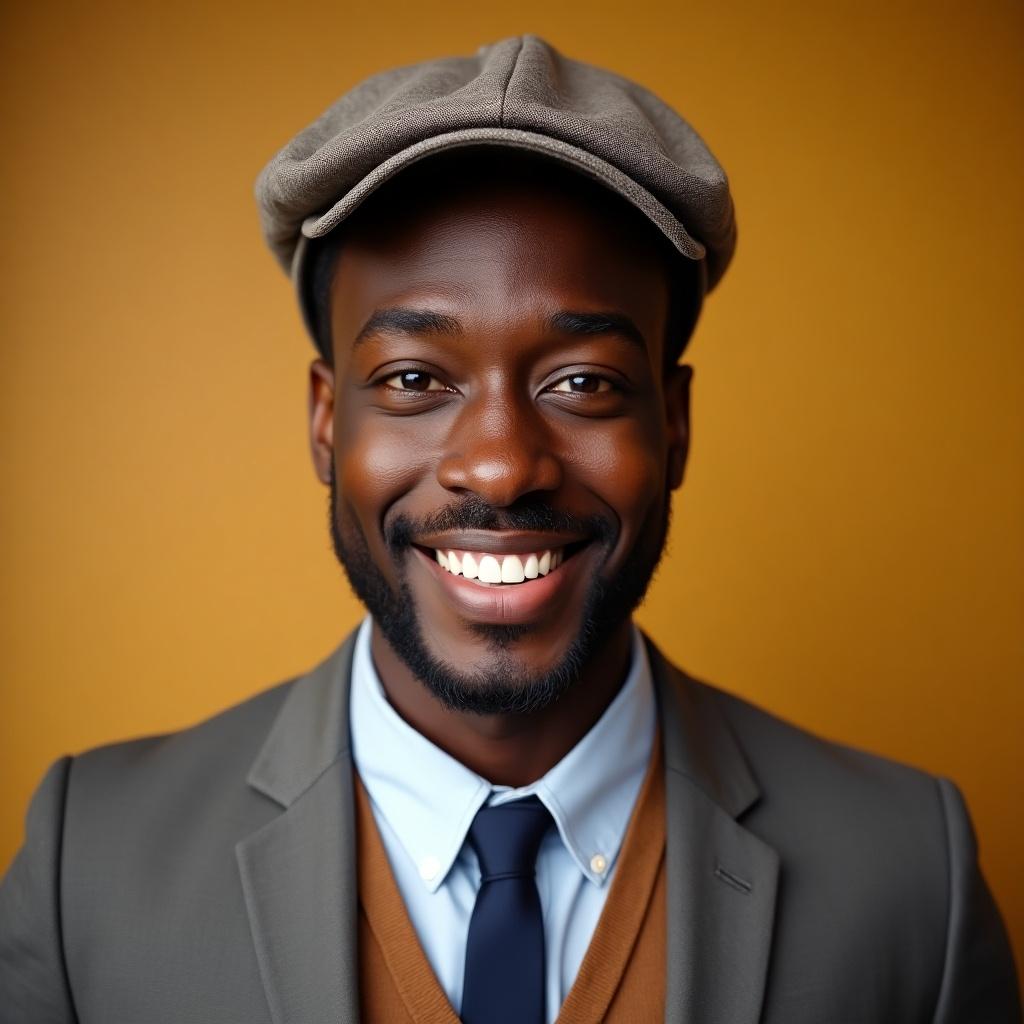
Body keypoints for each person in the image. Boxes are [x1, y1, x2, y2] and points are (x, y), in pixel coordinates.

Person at [0, 34, 1019, 1024]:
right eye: (413, 379)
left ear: (675, 426)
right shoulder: (86, 863)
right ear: (324, 420)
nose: (499, 463)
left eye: (582, 382)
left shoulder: (907, 877)